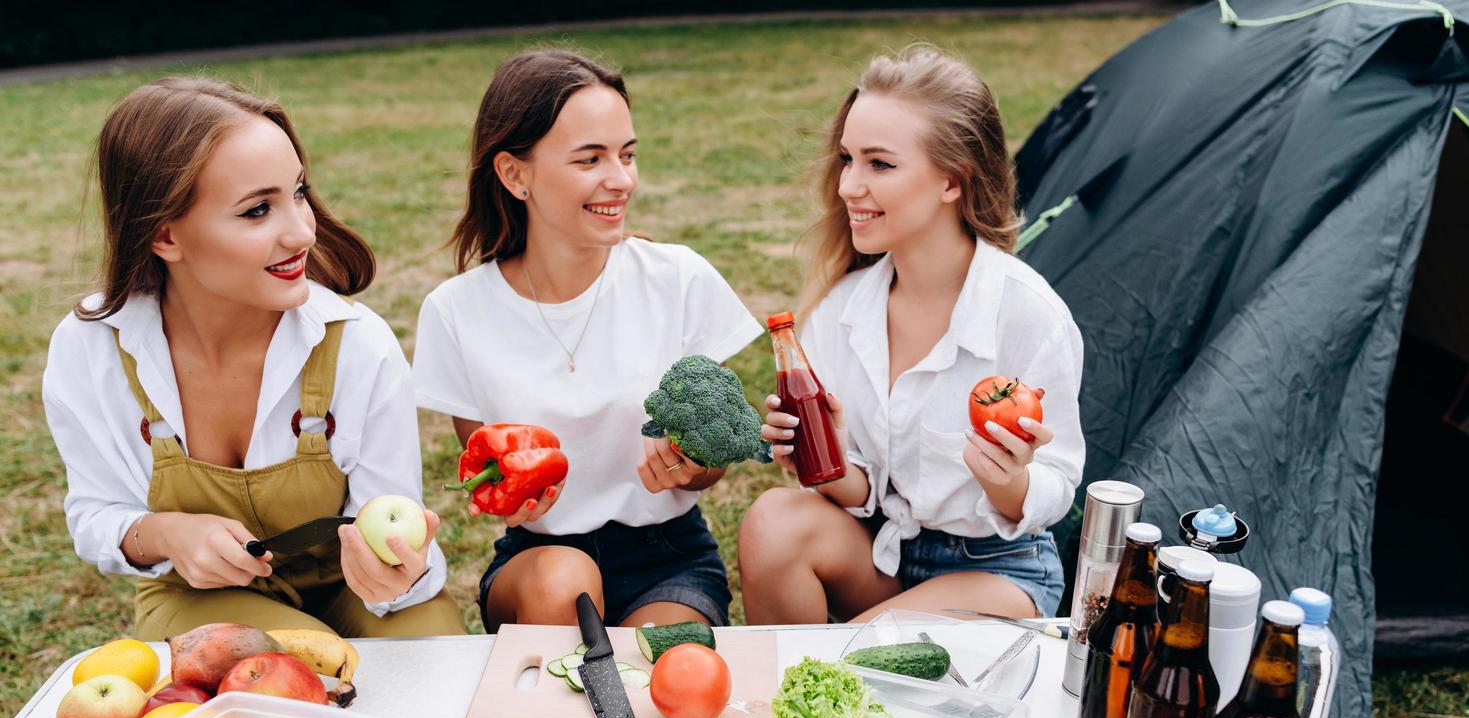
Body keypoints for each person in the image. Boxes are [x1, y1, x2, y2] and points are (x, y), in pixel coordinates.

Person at [42, 77, 465, 640]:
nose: (301, 232)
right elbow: (95, 515)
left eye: (299, 193)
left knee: (435, 669)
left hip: (355, 593)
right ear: (165, 235)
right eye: (257, 210)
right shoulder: (91, 348)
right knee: (293, 675)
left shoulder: (358, 344)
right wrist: (167, 534)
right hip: (201, 599)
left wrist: (395, 574)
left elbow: (395, 520)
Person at [413, 50, 762, 632]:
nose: (620, 179)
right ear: (514, 174)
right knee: (566, 588)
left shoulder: (677, 279)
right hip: (539, 561)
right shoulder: (456, 312)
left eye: (627, 155)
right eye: (590, 159)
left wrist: (692, 467)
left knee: (663, 672)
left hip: (669, 555)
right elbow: (487, 476)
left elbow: (712, 456)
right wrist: (511, 499)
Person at [739, 47, 1084, 625]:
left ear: (952, 181)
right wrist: (822, 458)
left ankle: (815, 676)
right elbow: (861, 494)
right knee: (773, 521)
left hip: (998, 569)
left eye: (879, 164)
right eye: (848, 159)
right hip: (885, 552)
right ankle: (794, 696)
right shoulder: (842, 309)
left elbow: (1057, 486)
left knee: (853, 653)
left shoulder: (1028, 315)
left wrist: (1009, 481)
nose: (848, 184)